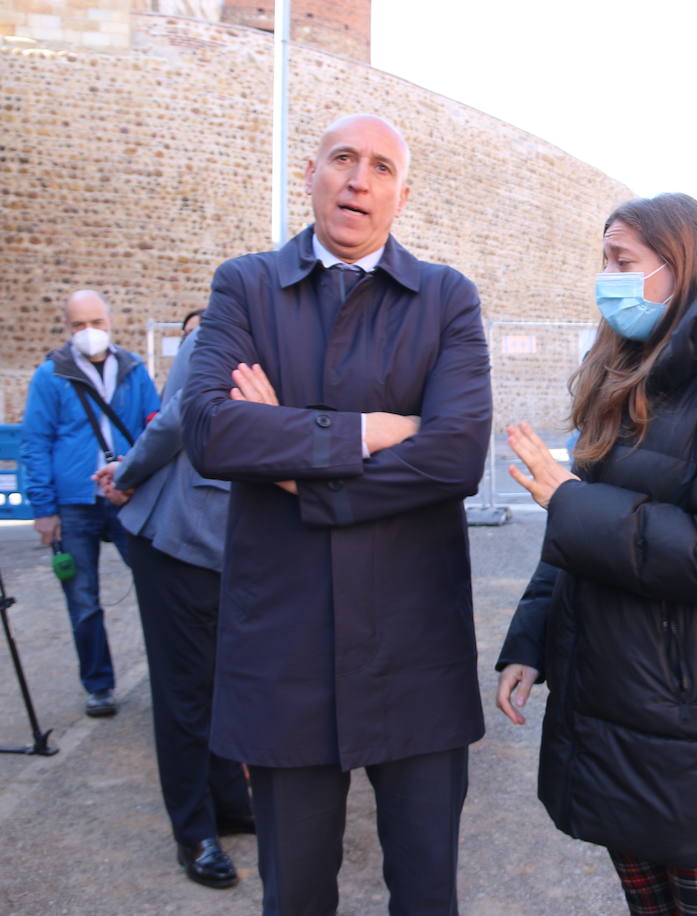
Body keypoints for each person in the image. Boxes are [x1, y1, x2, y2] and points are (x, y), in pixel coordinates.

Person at [182, 114, 492, 914]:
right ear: (311, 173)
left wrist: (292, 463)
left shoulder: (447, 298)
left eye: (381, 167)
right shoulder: (245, 285)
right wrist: (370, 432)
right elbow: (212, 429)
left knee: (426, 893)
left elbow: (456, 455)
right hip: (286, 647)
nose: (360, 180)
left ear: (402, 193)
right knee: (296, 894)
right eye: (344, 160)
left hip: (414, 646)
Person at [496, 192, 697, 916]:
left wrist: (570, 502)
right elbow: (574, 539)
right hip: (613, 707)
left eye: (623, 262)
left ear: (680, 267)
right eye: (603, 260)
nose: (606, 277)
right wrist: (531, 641)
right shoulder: (624, 374)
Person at [94, 325, 253, 890]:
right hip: (180, 540)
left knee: (222, 683)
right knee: (184, 692)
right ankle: (194, 831)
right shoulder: (218, 334)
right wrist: (128, 474)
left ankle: (231, 804)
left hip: (237, 545)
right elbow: (178, 421)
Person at [19, 289, 160, 717]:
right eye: (78, 325)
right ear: (67, 328)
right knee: (83, 601)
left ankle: (171, 681)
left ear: (110, 322)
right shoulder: (51, 375)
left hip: (127, 497)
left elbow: (154, 428)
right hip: (74, 503)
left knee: (159, 592)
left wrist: (138, 481)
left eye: (95, 323)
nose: (89, 333)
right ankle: (98, 685)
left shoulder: (133, 370)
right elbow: (36, 442)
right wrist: (43, 509)